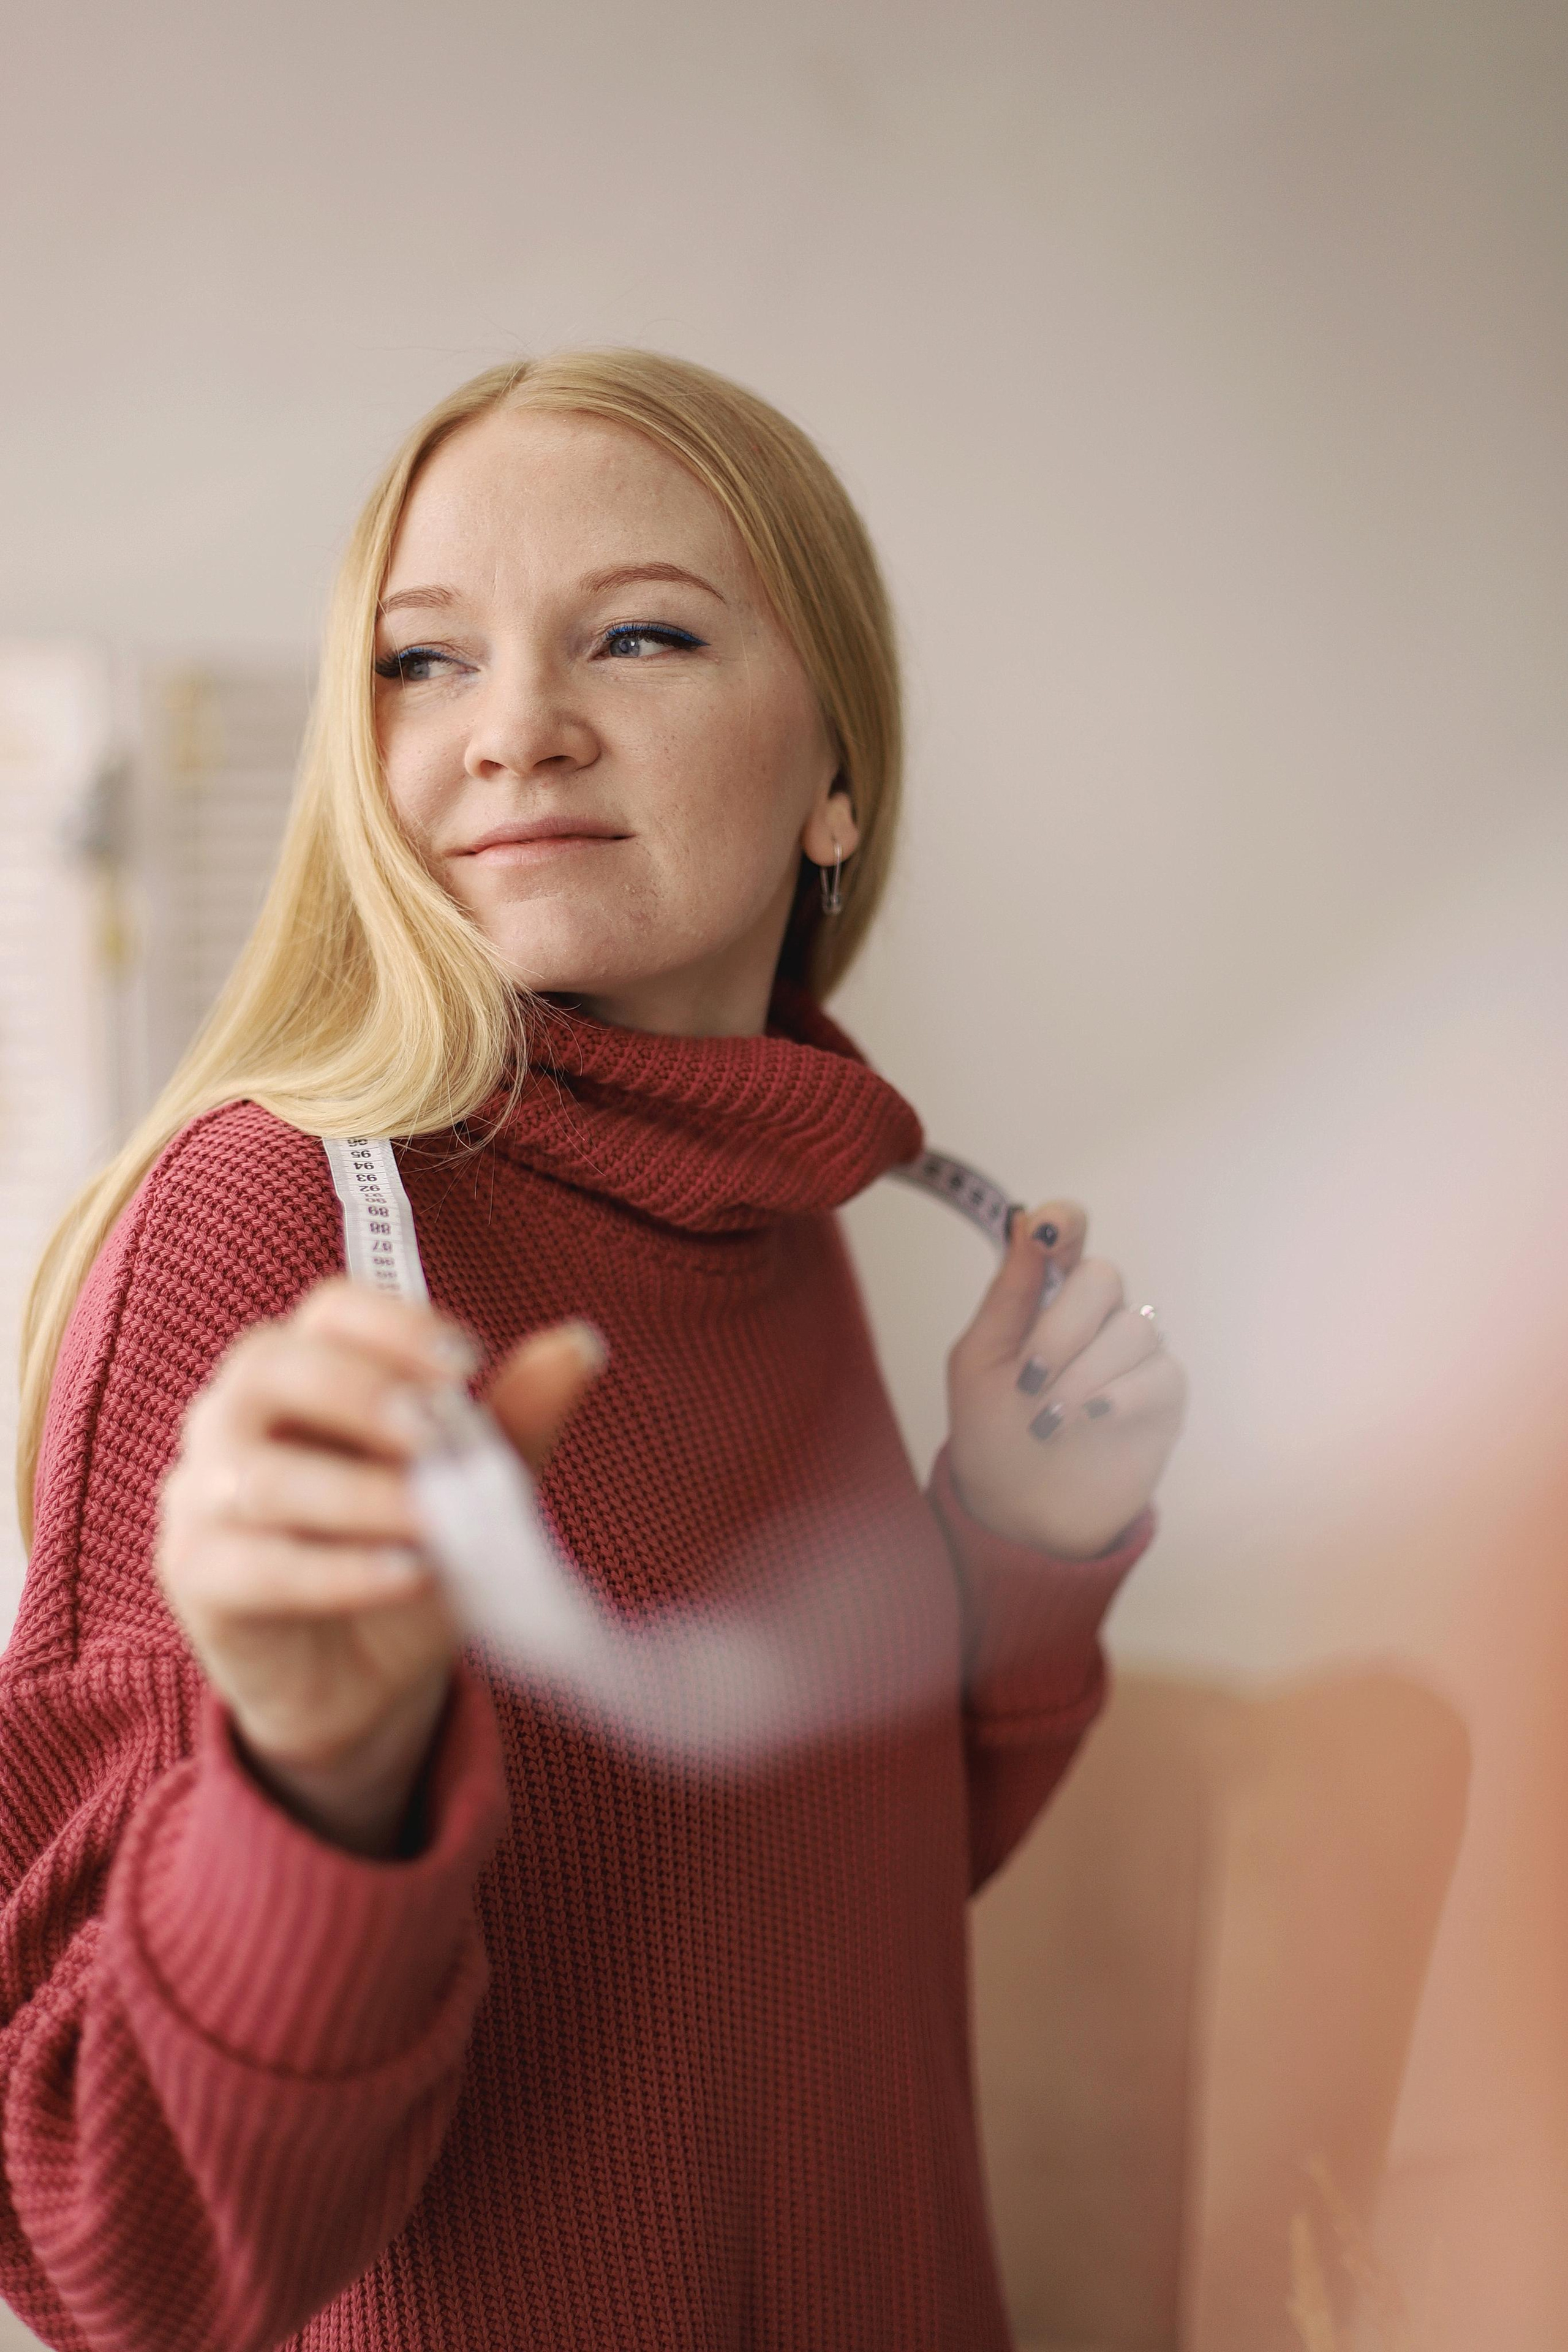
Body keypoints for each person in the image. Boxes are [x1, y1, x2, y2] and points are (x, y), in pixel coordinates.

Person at [1, 351, 1185, 2351]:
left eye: (637, 633)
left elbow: (797, 1930)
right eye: (421, 661)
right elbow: (117, 2250)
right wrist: (316, 1777)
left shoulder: (769, 1212)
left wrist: (1013, 1549)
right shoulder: (269, 1231)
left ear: (838, 771)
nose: (517, 731)